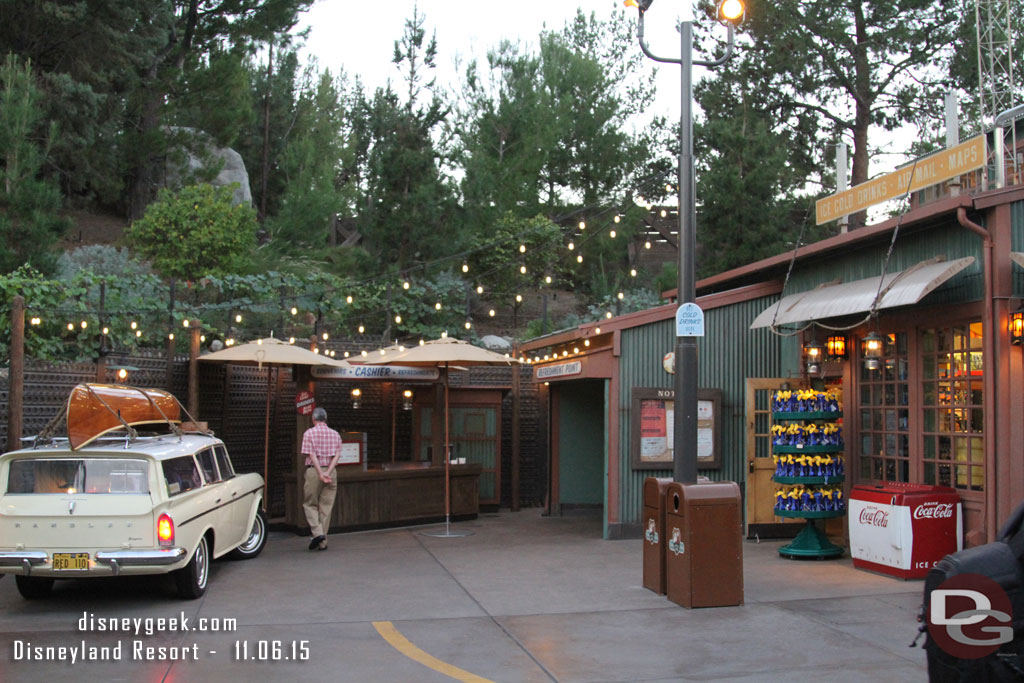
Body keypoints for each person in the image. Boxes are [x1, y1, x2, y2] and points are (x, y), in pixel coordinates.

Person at [301, 407, 342, 551]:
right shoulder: (335, 434)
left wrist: (320, 473)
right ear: (325, 419)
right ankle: (322, 542)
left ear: (313, 419)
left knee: (310, 504)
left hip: (314, 471)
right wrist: (328, 472)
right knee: (326, 507)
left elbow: (311, 455)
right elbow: (337, 456)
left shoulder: (309, 433)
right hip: (331, 472)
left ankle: (318, 534)